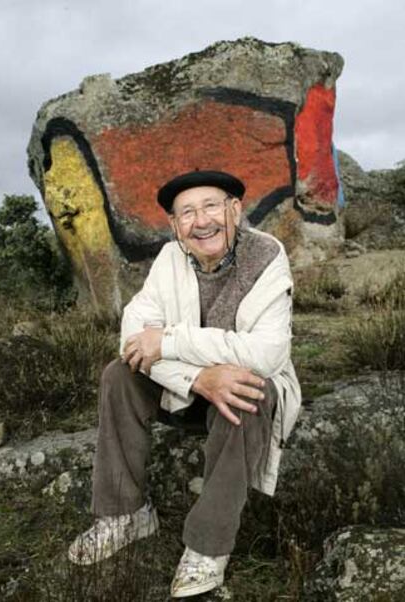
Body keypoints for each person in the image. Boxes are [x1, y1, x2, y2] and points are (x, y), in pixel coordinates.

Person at [68, 170, 301, 598]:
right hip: (187, 388)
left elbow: (268, 354)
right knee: (119, 374)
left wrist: (173, 340)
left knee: (251, 389)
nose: (202, 221)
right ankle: (126, 514)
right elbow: (133, 337)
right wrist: (199, 378)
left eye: (212, 206)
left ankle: (207, 546)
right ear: (175, 226)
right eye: (187, 213)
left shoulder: (267, 256)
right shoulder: (170, 258)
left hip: (234, 395)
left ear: (235, 209)